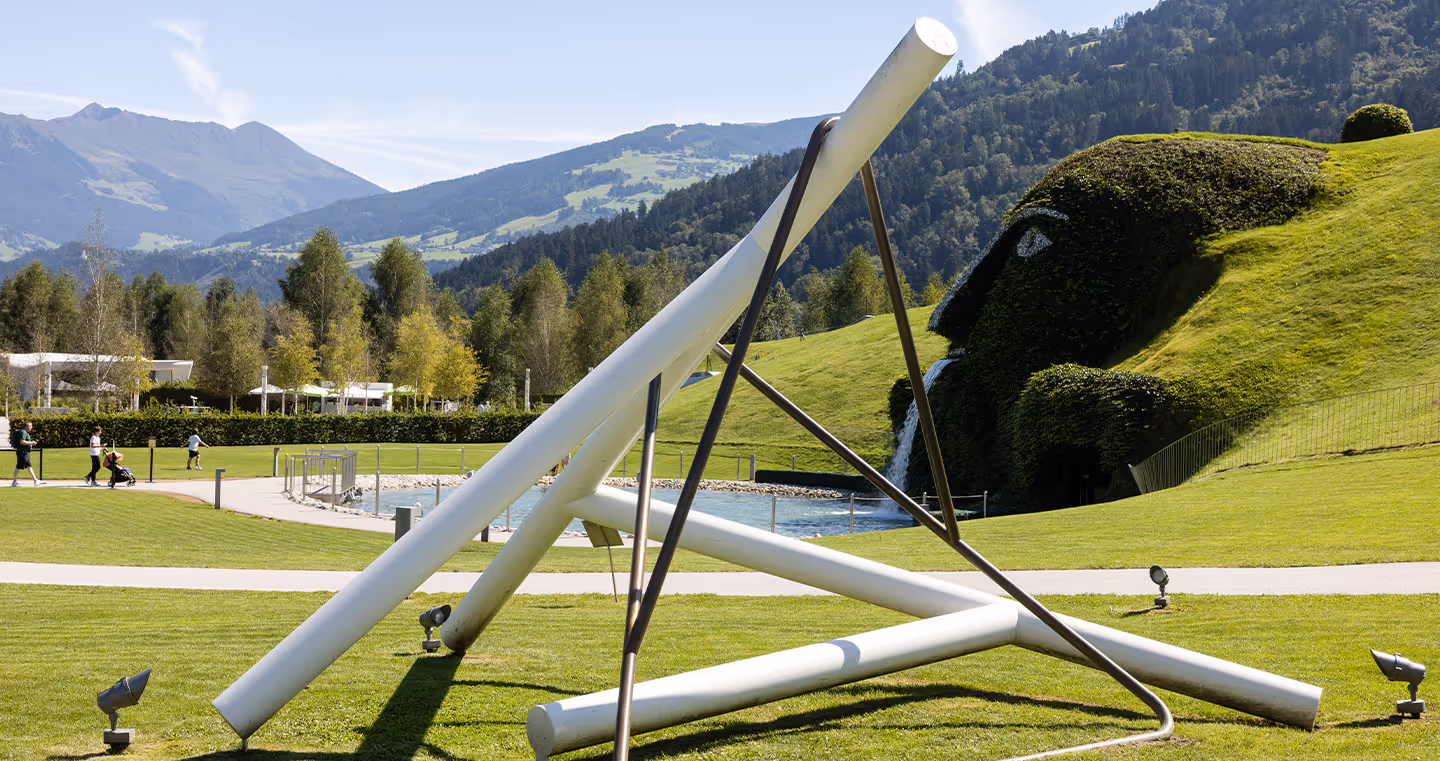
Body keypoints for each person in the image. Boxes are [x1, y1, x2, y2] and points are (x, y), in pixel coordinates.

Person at [10, 421, 43, 487]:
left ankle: (35, 480)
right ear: (26, 426)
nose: (31, 427)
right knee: (18, 466)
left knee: (29, 467)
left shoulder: (25, 433)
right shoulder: (23, 432)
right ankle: (14, 482)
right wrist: (31, 443)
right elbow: (22, 441)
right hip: (23, 453)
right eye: (30, 426)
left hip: (26, 453)